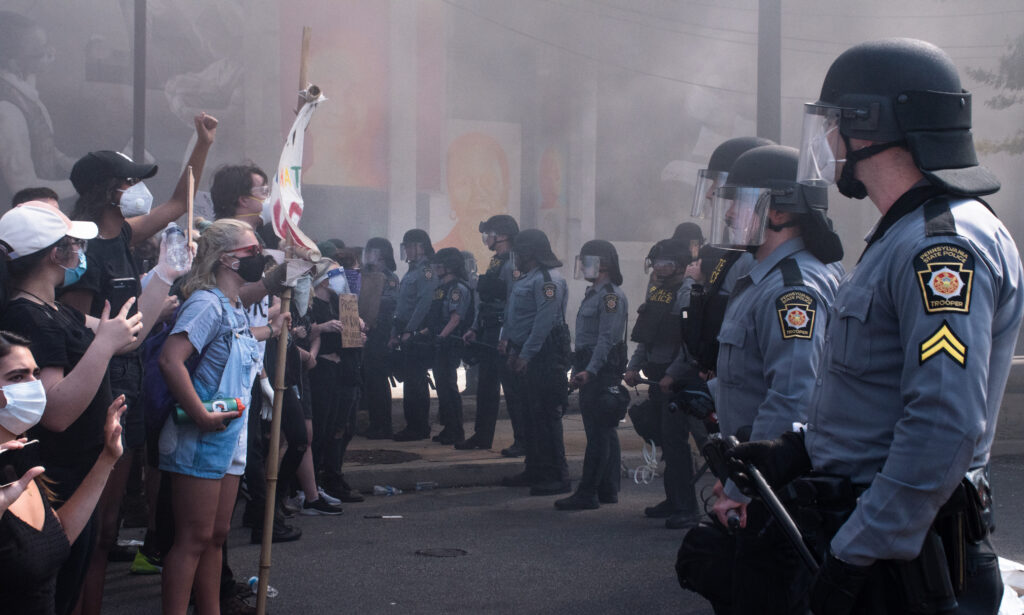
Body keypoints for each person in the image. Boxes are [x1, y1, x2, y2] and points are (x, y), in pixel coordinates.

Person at [727, 39, 1024, 615]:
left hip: (909, 563)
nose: (826, 142)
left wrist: (857, 551)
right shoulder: (901, 235)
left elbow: (942, 423)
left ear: (868, 124)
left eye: (833, 122)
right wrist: (796, 450)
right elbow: (873, 395)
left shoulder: (940, 247)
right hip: (886, 543)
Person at [676, 144, 844, 614]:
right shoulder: (760, 278)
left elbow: (792, 398)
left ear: (782, 211)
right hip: (759, 480)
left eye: (739, 202)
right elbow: (750, 378)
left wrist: (739, 490)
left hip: (779, 491)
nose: (727, 213)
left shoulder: (793, 289)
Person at [61, 114, 216, 615]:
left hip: (129, 390)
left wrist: (203, 143)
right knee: (89, 527)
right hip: (96, 394)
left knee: (107, 529)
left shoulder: (126, 237)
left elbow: (178, 201)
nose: (136, 190)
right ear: (109, 191)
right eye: (129, 182)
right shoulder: (82, 255)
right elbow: (78, 333)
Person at [0, 203, 143, 615]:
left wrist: (167, 274)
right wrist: (103, 345)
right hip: (55, 473)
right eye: (74, 243)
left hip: (76, 471)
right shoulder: (27, 316)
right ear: (54, 253)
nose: (82, 250)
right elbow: (56, 412)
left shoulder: (57, 310)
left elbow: (128, 334)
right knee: (49, 593)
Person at [157, 219, 285, 615]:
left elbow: (245, 330)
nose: (259, 256)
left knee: (216, 535)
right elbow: (170, 359)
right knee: (192, 539)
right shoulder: (206, 303)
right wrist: (199, 414)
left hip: (231, 432)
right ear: (228, 259)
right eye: (253, 251)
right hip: (201, 433)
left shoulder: (232, 305)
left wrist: (275, 323)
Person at [0, 331, 129, 615]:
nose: (35, 386)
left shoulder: (21, 457)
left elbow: (53, 539)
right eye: (18, 377)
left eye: (36, 373)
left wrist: (107, 459)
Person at [625, 238, 708, 529]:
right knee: (667, 444)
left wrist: (673, 374)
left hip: (676, 380)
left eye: (665, 263)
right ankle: (673, 500)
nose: (659, 268)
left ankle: (687, 507)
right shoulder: (658, 291)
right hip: (658, 377)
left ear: (680, 266)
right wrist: (633, 367)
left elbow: (688, 342)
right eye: (657, 263)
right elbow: (646, 335)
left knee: (676, 444)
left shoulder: (687, 293)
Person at [556, 240, 628, 510]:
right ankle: (608, 489)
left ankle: (587, 493)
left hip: (600, 370)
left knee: (598, 433)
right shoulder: (595, 293)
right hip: (591, 365)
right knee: (605, 432)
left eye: (588, 261)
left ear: (604, 264)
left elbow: (606, 339)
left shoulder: (610, 296)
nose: (583, 266)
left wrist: (590, 370)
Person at [499, 229, 572, 496]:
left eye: (518, 252)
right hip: (524, 352)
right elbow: (514, 314)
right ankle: (535, 469)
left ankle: (558, 475)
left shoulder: (547, 280)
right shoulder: (527, 278)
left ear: (529, 253)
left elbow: (543, 323)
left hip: (544, 355)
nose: (514, 258)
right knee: (529, 415)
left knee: (546, 416)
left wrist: (526, 355)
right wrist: (508, 343)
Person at [458, 215, 527, 454]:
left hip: (502, 332)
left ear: (503, 236)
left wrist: (507, 336)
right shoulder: (496, 262)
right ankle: (481, 436)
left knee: (512, 390)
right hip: (488, 330)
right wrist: (475, 327)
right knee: (486, 387)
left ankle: (522, 440)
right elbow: (485, 300)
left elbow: (513, 302)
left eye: (490, 233)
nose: (487, 237)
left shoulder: (513, 264)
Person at [0, 11, 77, 205]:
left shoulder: (25, 97)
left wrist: (90, 167)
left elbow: (46, 149)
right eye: (39, 52)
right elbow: (24, 188)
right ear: (13, 62)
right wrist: (81, 184)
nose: (51, 55)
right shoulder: (8, 111)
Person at [308, 259, 365, 504]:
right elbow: (303, 331)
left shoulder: (340, 302)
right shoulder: (310, 303)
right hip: (322, 368)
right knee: (321, 429)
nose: (340, 278)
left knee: (341, 427)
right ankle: (314, 482)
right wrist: (322, 327)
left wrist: (358, 330)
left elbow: (354, 332)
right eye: (334, 273)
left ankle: (331, 476)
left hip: (345, 368)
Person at [420, 248, 474, 445]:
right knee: (442, 387)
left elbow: (455, 318)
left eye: (439, 264)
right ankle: (448, 427)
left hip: (449, 343)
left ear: (449, 266)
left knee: (449, 387)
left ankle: (456, 430)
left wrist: (441, 337)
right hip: (439, 341)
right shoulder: (442, 287)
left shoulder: (458, 288)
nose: (435, 268)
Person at [390, 229, 437, 441]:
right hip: (405, 330)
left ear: (421, 247)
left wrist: (411, 330)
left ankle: (418, 426)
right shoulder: (411, 271)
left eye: (410, 246)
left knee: (416, 381)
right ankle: (413, 425)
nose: (407, 250)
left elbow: (424, 303)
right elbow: (402, 306)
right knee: (410, 380)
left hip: (416, 333)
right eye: (405, 246)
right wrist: (396, 331)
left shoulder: (427, 270)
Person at [361, 237, 399, 440]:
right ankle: (376, 423)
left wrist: (369, 299)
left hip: (381, 332)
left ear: (381, 255)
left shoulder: (388, 278)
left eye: (371, 252)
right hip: (368, 331)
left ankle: (384, 425)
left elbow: (392, 300)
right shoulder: (368, 275)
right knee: (371, 379)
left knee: (378, 379)